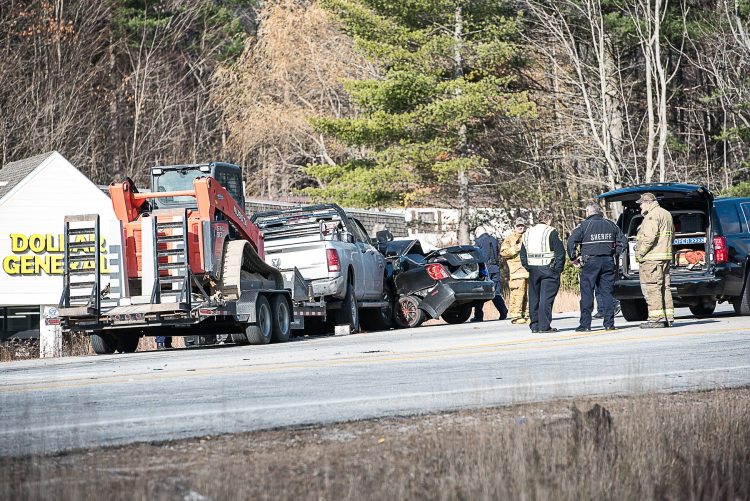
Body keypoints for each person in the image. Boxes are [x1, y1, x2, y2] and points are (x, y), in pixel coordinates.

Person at [567, 202, 626, 331]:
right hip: (608, 262)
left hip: (590, 262)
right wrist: (614, 254)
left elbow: (571, 241)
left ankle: (585, 324)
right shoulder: (611, 224)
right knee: (607, 294)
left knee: (587, 293)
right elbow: (623, 241)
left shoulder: (584, 225)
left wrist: (573, 258)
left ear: (588, 212)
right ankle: (609, 324)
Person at [520, 210, 565, 333]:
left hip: (533, 269)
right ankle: (544, 326)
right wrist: (558, 269)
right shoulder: (551, 231)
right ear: (549, 219)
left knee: (534, 298)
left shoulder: (527, 232)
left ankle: (534, 325)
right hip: (548, 269)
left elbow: (523, 254)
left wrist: (527, 266)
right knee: (546, 298)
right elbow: (560, 252)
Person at [635, 192, 675, 328]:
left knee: (652, 288)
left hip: (652, 259)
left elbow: (649, 238)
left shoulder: (652, 216)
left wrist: (640, 254)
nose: (640, 206)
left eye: (641, 204)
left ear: (648, 202)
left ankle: (656, 319)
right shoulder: (666, 214)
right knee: (665, 288)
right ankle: (668, 317)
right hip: (664, 257)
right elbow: (672, 236)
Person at [471, 226, 508, 322]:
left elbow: (476, 256)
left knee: (480, 292)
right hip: (495, 268)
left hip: (485, 269)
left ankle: (478, 316)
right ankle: (503, 310)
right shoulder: (494, 240)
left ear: (478, 232)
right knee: (496, 292)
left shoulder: (478, 241)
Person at [500, 217, 530, 324]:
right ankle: (516, 316)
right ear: (515, 227)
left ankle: (527, 314)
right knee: (517, 293)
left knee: (529, 294)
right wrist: (517, 248)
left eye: (522, 225)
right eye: (518, 226)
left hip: (529, 270)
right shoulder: (510, 238)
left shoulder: (528, 236)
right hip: (516, 271)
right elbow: (503, 252)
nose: (520, 227)